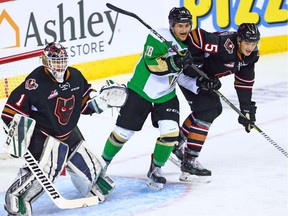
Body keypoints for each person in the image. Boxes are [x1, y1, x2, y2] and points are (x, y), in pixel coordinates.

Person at [1, 42, 128, 215]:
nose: (59, 65)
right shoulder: (35, 82)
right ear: (46, 61)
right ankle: (16, 199)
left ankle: (94, 184)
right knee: (47, 173)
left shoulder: (75, 76)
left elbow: (85, 105)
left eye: (62, 61)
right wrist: (18, 136)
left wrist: (101, 101)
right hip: (44, 135)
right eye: (55, 61)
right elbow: (10, 113)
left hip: (69, 132)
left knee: (92, 168)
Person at [100, 7, 194, 190]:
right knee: (122, 134)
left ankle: (156, 169)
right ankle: (102, 163)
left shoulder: (192, 43)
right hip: (140, 91)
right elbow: (153, 65)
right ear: (172, 26)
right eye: (180, 25)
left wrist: (202, 84)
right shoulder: (158, 37)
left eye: (187, 25)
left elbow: (187, 73)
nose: (184, 29)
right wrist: (175, 62)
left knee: (170, 134)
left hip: (166, 95)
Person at [172, 23, 260, 182]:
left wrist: (246, 110)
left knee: (212, 109)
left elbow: (244, 83)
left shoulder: (251, 56)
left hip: (202, 78)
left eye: (253, 43)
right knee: (209, 110)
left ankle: (176, 142)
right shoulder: (225, 45)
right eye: (247, 43)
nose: (250, 47)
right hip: (187, 72)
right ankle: (189, 160)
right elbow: (197, 36)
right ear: (239, 40)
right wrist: (196, 66)